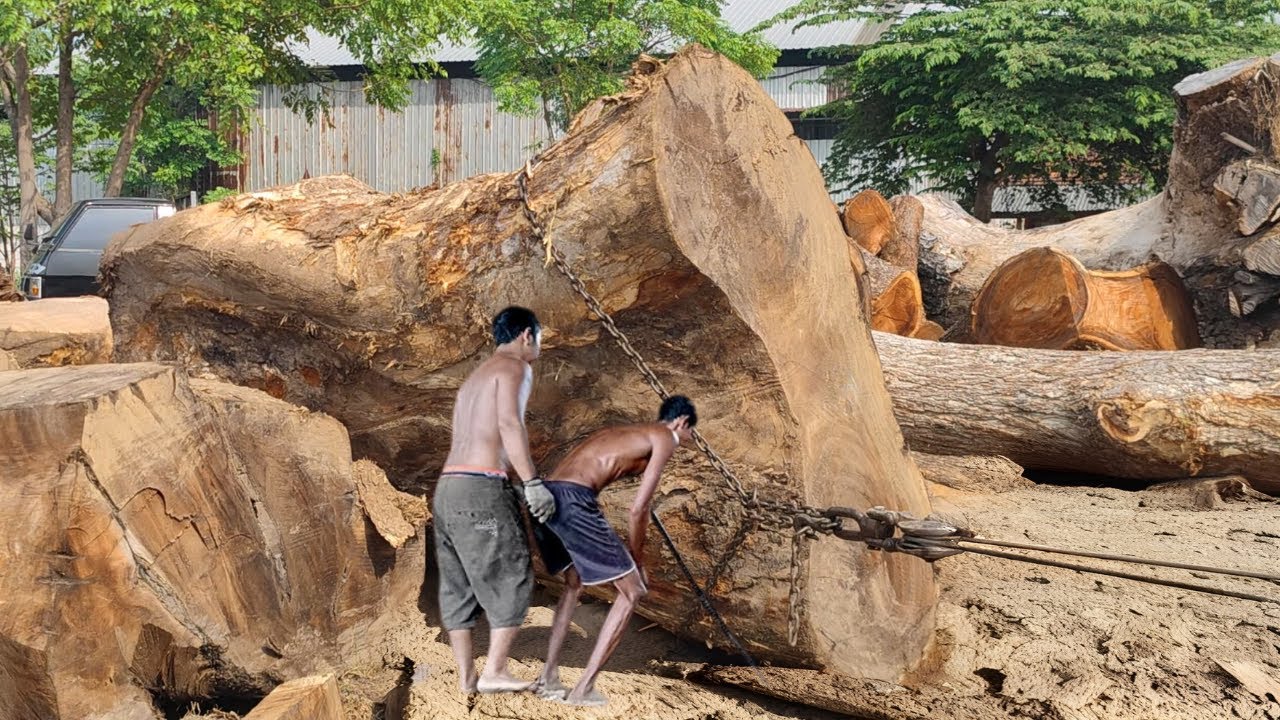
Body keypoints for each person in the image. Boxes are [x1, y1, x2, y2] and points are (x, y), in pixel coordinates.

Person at [533, 395, 697, 707]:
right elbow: (638, 509)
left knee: (573, 583)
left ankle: (548, 677)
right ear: (680, 422)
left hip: (546, 495)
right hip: (573, 499)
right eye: (690, 433)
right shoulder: (665, 436)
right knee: (632, 591)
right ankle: (582, 689)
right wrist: (636, 561)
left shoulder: (620, 433)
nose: (687, 441)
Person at [432, 306, 557, 694]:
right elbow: (508, 424)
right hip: (479, 488)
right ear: (525, 335)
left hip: (447, 489)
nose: (539, 345)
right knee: (514, 573)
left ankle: (467, 677)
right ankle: (495, 671)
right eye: (539, 337)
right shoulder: (515, 367)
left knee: (457, 585)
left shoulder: (475, 377)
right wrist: (533, 482)